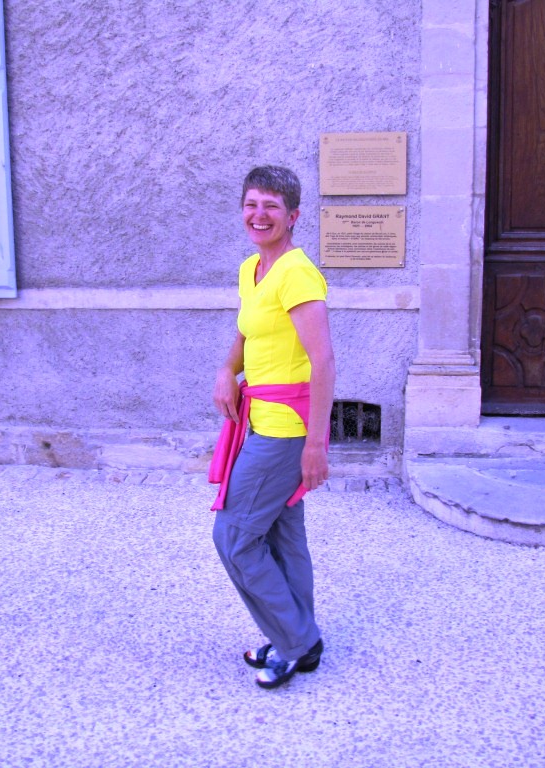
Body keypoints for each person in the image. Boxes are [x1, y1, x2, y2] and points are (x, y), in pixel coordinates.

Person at [211, 165, 335, 689]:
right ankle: (298, 636)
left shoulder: (296, 274)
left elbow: (323, 361)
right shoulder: (253, 269)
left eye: (271, 207)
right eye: (251, 204)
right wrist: (227, 369)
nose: (259, 215)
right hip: (260, 420)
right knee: (282, 536)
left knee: (234, 536)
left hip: (287, 429)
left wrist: (316, 445)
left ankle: (295, 642)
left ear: (293, 216)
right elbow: (249, 334)